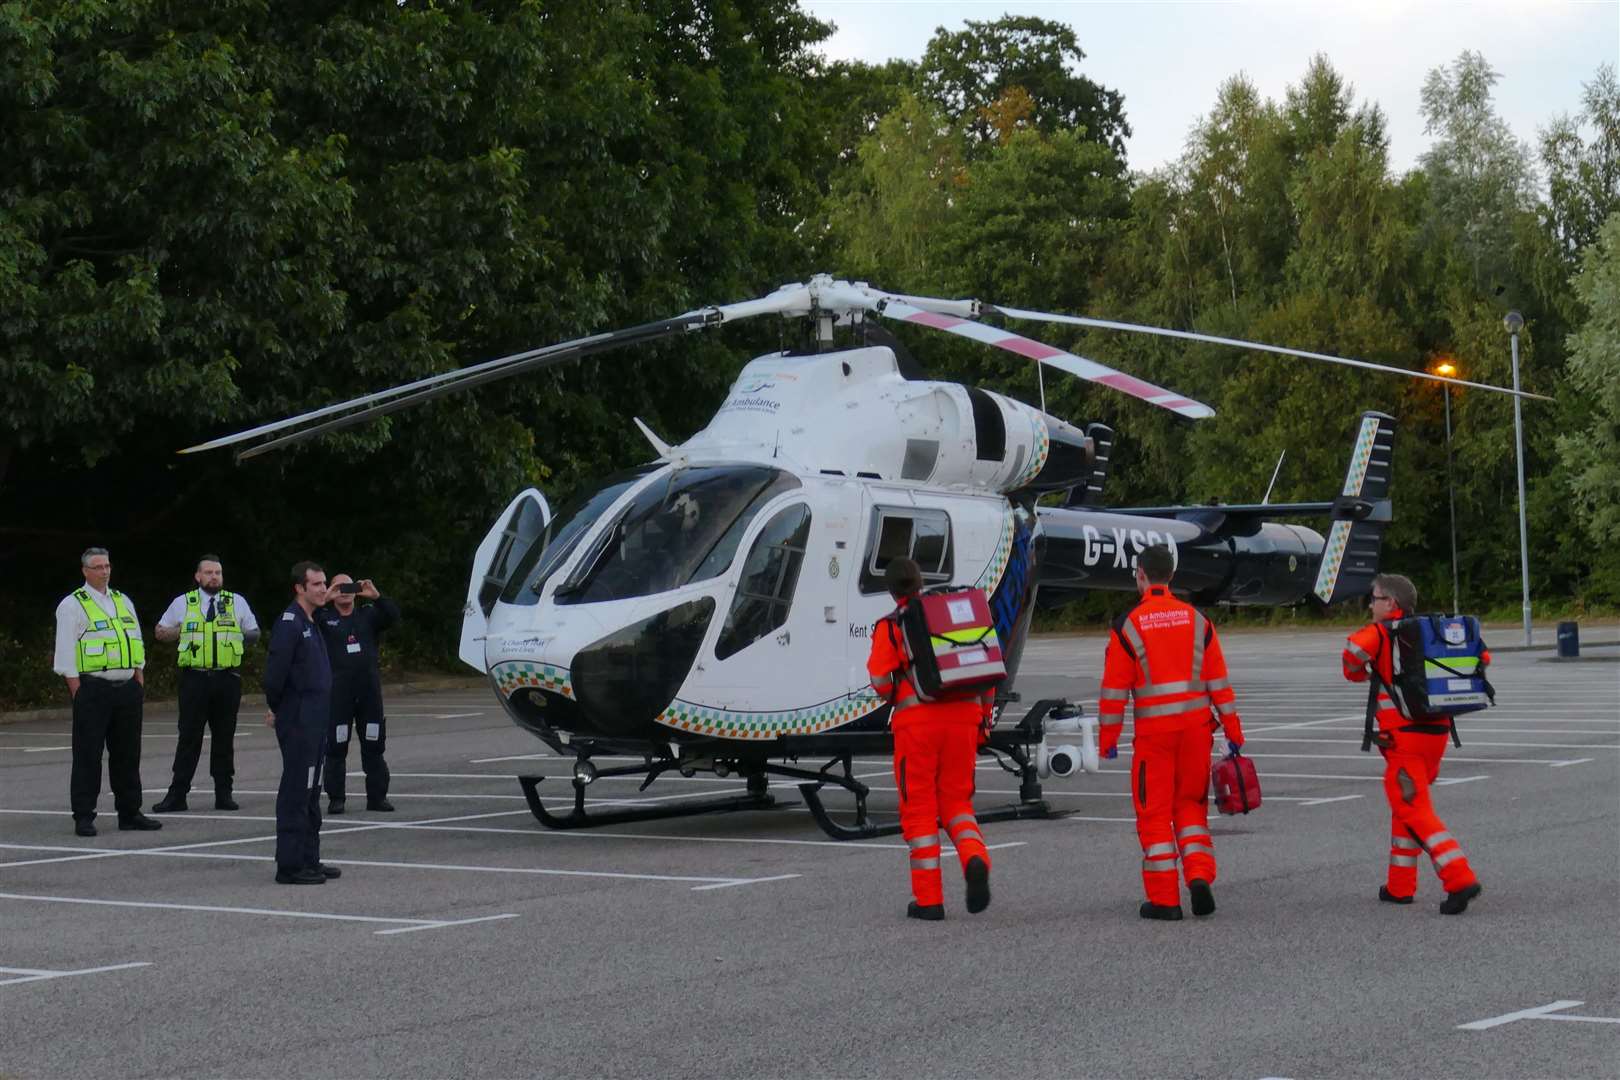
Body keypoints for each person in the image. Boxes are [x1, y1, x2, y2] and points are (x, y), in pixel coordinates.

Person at [1096, 544, 1243, 921]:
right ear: (1171, 576)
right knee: (1191, 808)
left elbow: (1114, 693)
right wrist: (1233, 729)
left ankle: (1165, 899)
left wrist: (1108, 741)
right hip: (1196, 734)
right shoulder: (1198, 621)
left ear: (1140, 575)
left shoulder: (1128, 625)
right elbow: (1219, 683)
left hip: (1154, 739)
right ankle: (1198, 875)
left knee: (1154, 814)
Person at [1343, 573, 1483, 915]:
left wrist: (1368, 669)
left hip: (1404, 742)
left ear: (1390, 603)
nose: (1370, 604)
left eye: (1373, 599)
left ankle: (1459, 877)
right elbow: (1483, 659)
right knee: (1405, 810)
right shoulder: (1431, 631)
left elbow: (1351, 657)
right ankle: (1400, 885)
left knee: (1415, 810)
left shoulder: (1380, 633)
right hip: (1436, 737)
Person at [866, 557, 993, 921]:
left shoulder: (891, 626)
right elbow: (986, 673)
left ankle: (929, 901)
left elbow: (879, 680)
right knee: (957, 803)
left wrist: (897, 695)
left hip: (917, 726)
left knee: (919, 809)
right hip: (965, 719)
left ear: (891, 590)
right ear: (922, 582)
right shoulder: (954, 615)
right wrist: (983, 719)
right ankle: (974, 857)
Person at [52, 547, 163, 837]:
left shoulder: (122, 600)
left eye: (107, 566)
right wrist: (78, 691)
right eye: (98, 567)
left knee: (128, 754)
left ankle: (130, 812)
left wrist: (138, 675)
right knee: (88, 755)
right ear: (85, 571)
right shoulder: (72, 605)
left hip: (127, 689)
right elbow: (65, 654)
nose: (105, 571)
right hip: (93, 689)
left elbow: (136, 638)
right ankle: (84, 816)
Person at [151, 555, 260, 812]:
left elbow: (254, 632)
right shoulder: (183, 603)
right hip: (195, 678)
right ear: (198, 577)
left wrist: (235, 635)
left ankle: (224, 793)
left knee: (224, 738)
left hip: (226, 678)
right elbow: (160, 631)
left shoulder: (236, 602)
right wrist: (182, 630)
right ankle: (178, 795)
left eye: (218, 573)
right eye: (209, 573)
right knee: (189, 737)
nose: (214, 577)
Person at [263, 561, 340, 885]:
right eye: (317, 585)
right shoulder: (290, 623)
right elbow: (274, 677)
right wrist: (280, 709)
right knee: (296, 790)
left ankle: (310, 858)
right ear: (299, 588)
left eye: (324, 583)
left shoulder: (313, 619)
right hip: (299, 720)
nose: (324, 589)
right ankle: (290, 865)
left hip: (316, 718)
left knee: (311, 790)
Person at [317, 574, 400, 814]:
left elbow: (393, 616)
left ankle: (377, 798)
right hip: (338, 695)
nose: (344, 591)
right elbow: (303, 620)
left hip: (368, 694)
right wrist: (323, 599)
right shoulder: (324, 618)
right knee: (335, 748)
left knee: (374, 745)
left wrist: (378, 596)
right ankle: (336, 799)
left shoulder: (369, 615)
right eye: (339, 587)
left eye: (349, 586)